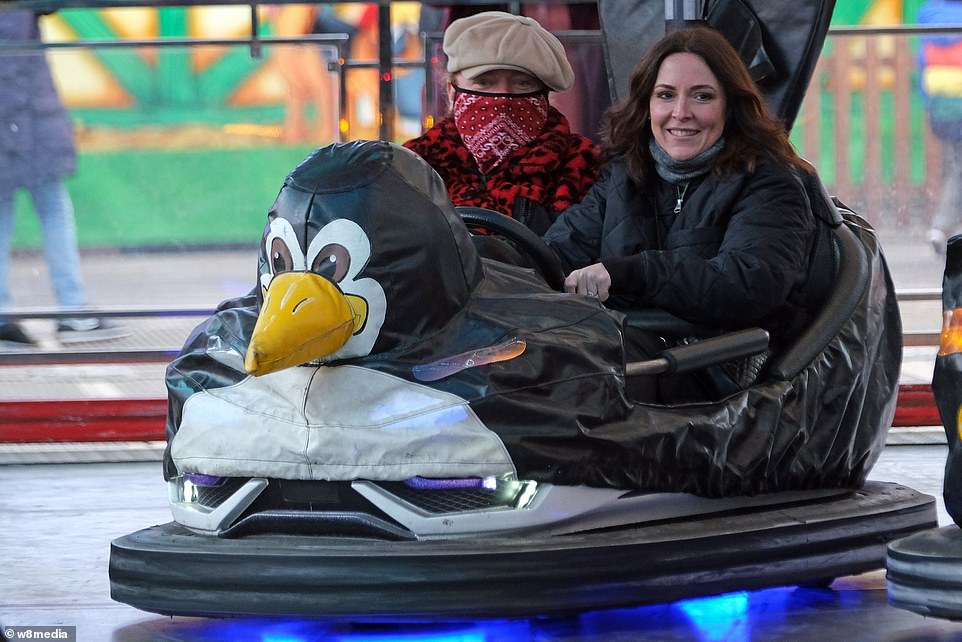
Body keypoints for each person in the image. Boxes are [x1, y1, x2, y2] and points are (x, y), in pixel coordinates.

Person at [542, 26, 820, 401]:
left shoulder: (770, 183)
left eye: (702, 96)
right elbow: (559, 250)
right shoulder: (626, 174)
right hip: (634, 352)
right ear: (647, 105)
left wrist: (635, 272)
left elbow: (749, 284)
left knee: (570, 387)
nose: (681, 113)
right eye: (666, 95)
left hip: (722, 374)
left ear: (731, 106)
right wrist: (486, 260)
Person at [403, 11, 600, 236]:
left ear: (545, 95)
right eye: (484, 83)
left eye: (522, 83)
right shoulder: (417, 165)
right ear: (451, 91)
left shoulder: (583, 165)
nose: (503, 99)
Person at [0, 10, 127, 347]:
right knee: (52, 208)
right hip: (26, 121)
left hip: (22, 120)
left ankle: (17, 314)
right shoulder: (19, 13)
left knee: (8, 212)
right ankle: (72, 310)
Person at [918, 0, 962, 254]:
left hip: (942, 107)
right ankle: (941, 226)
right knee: (958, 167)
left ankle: (944, 227)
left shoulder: (929, 14)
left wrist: (929, 103)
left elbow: (922, 61)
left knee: (954, 163)